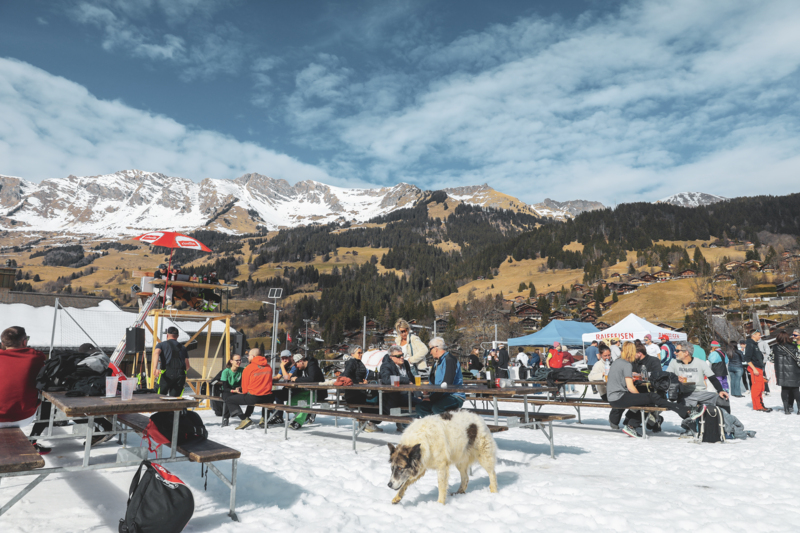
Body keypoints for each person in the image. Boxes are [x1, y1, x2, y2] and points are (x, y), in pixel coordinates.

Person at [606, 341, 694, 437]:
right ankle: (685, 410)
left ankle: (633, 424)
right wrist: (640, 398)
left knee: (650, 399)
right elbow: (630, 387)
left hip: (612, 397)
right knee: (651, 398)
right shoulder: (627, 364)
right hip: (618, 397)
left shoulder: (617, 362)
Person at [0, 326, 50, 454]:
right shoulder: (36, 357)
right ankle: (32, 440)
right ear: (24, 341)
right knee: (47, 404)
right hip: (23, 417)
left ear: (3, 343)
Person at [667, 340, 730, 409]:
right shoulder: (674, 363)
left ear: (686, 353)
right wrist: (676, 379)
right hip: (685, 395)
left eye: (677, 350)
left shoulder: (700, 363)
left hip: (701, 393)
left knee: (723, 400)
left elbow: (713, 378)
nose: (674, 352)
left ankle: (724, 416)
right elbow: (666, 377)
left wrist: (720, 390)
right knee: (689, 411)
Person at [224, 348, 274, 430]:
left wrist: (240, 390)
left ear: (253, 356)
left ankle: (244, 419)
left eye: (249, 355)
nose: (247, 357)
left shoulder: (249, 368)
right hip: (268, 397)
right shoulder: (268, 367)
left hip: (254, 397)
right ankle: (263, 419)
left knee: (229, 400)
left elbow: (245, 389)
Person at [416, 337, 464, 417]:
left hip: (454, 396)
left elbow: (447, 384)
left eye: (430, 349)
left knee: (437, 408)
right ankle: (432, 424)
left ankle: (443, 424)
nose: (430, 353)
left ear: (435, 349)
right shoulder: (437, 362)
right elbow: (433, 381)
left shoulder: (450, 360)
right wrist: (428, 390)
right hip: (440, 396)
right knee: (420, 407)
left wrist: (432, 398)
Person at [342, 345, 382, 433]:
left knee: (375, 400)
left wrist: (367, 379)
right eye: (359, 353)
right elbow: (346, 376)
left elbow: (363, 373)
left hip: (359, 392)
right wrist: (358, 382)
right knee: (374, 402)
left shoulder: (358, 362)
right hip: (353, 394)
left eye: (361, 352)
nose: (361, 354)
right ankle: (369, 423)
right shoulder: (351, 362)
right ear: (352, 354)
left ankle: (366, 422)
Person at [286, 353, 326, 429]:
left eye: (296, 365)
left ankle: (298, 422)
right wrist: (294, 377)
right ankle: (308, 413)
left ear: (301, 361)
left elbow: (312, 379)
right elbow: (293, 376)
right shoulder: (301, 367)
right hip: (307, 391)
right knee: (289, 403)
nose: (296, 367)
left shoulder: (312, 366)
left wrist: (297, 379)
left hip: (318, 391)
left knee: (305, 403)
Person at [380, 345, 414, 432]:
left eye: (402, 355)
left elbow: (412, 379)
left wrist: (419, 392)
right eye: (398, 356)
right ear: (391, 357)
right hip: (394, 396)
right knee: (420, 404)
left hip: (408, 394)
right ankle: (408, 427)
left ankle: (408, 425)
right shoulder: (386, 366)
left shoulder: (405, 363)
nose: (401, 357)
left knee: (424, 401)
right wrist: (406, 380)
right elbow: (386, 379)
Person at [153, 326, 190, 397]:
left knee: (159, 397)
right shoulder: (183, 348)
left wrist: (155, 368)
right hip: (180, 375)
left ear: (167, 335)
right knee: (175, 399)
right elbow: (187, 366)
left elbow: (156, 353)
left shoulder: (161, 345)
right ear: (177, 336)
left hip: (166, 374)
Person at [773, 330, 800, 415]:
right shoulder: (794, 346)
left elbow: (771, 359)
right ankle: (799, 409)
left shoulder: (775, 347)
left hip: (781, 372)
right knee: (796, 390)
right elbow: (798, 358)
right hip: (794, 371)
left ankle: (786, 409)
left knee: (784, 390)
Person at [744, 330, 771, 412]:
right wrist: (754, 369)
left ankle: (760, 405)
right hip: (755, 369)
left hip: (759, 368)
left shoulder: (755, 344)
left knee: (760, 388)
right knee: (757, 388)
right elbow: (747, 359)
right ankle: (758, 406)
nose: (760, 336)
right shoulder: (750, 344)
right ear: (753, 335)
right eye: (759, 335)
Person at [219, 354, 244, 427]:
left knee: (251, 396)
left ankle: (246, 416)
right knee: (229, 398)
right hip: (228, 391)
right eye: (237, 360)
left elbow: (244, 383)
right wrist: (234, 391)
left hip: (238, 390)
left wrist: (239, 388)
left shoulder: (242, 370)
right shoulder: (226, 371)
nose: (239, 362)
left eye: (240, 360)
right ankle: (242, 418)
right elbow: (225, 387)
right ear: (231, 361)